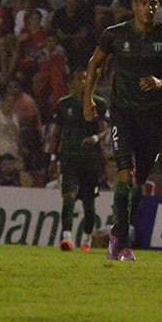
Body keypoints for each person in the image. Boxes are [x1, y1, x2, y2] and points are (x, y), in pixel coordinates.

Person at [84, 0, 162, 262]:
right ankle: (120, 242)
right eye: (143, 3)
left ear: (158, 6)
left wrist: (161, 82)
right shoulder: (115, 34)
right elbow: (95, 64)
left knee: (139, 183)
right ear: (134, 6)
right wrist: (88, 101)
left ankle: (118, 231)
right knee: (125, 175)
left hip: (153, 117)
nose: (149, 8)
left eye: (153, 3)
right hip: (123, 114)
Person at [48, 71, 108, 253]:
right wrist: (52, 158)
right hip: (70, 160)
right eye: (78, 79)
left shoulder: (99, 103)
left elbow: (105, 130)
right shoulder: (63, 104)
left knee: (89, 205)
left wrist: (95, 139)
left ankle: (86, 241)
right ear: (71, 83)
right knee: (69, 198)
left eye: (85, 78)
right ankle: (67, 238)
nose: (82, 82)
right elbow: (56, 133)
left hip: (91, 162)